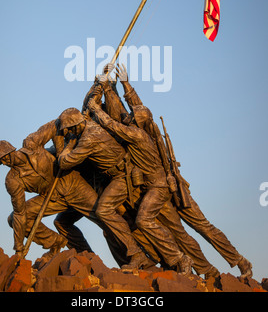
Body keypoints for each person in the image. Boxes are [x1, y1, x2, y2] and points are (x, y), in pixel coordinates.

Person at [107, 63, 253, 280]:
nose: (130, 120)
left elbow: (138, 109)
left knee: (203, 226)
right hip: (160, 189)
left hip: (175, 187)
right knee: (182, 236)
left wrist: (122, 85)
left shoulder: (148, 132)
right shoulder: (142, 129)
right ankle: (207, 271)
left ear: (140, 123)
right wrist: (120, 84)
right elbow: (135, 108)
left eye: (133, 120)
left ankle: (240, 261)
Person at [86, 96, 194, 276]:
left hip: (158, 187)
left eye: (131, 115)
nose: (127, 116)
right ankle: (148, 259)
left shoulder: (137, 134)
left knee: (143, 220)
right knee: (131, 222)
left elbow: (113, 126)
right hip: (150, 186)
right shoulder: (138, 134)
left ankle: (180, 258)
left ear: (137, 120)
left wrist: (96, 110)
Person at [0, 134, 109, 260]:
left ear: (10, 150)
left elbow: (55, 126)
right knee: (14, 219)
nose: (5, 162)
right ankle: (59, 244)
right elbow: (20, 213)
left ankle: (130, 254)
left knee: (105, 217)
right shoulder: (12, 180)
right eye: (1, 162)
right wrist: (19, 248)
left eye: (4, 157)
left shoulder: (32, 144)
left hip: (73, 185)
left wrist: (60, 150)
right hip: (52, 198)